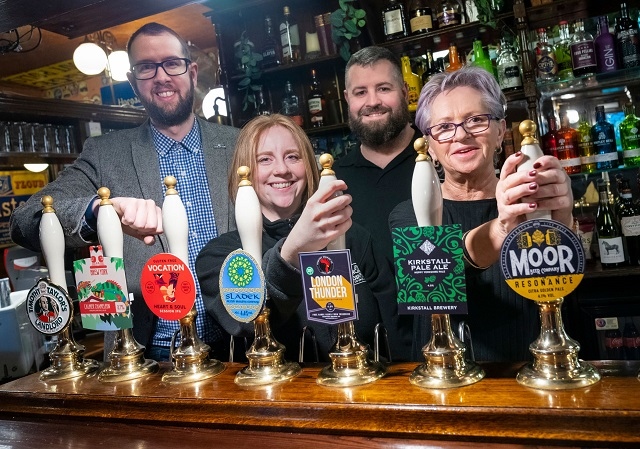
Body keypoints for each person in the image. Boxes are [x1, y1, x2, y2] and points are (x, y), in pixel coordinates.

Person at [10, 22, 239, 362]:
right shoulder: (105, 154)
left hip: (242, 346)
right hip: (149, 356)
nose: (161, 76)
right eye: (146, 67)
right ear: (133, 82)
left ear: (192, 73)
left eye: (172, 63)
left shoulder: (240, 145)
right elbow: (24, 221)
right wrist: (100, 213)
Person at [389, 66, 574, 362]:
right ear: (430, 147)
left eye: (476, 120)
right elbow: (436, 273)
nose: (461, 136)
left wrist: (561, 219)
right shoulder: (408, 214)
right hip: (443, 378)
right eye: (444, 127)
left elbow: (564, 287)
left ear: (500, 132)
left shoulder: (530, 200)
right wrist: (502, 228)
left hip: (532, 368)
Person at [196, 114, 411, 362]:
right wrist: (292, 252)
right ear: (244, 174)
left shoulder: (353, 237)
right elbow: (244, 323)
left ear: (309, 166)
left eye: (293, 156)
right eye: (264, 159)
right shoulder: (222, 255)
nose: (282, 170)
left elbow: (397, 332)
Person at [335, 46, 421, 266]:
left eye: (383, 88)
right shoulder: (334, 181)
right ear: (347, 98)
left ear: (403, 91)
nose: (372, 102)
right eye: (360, 92)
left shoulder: (440, 159)